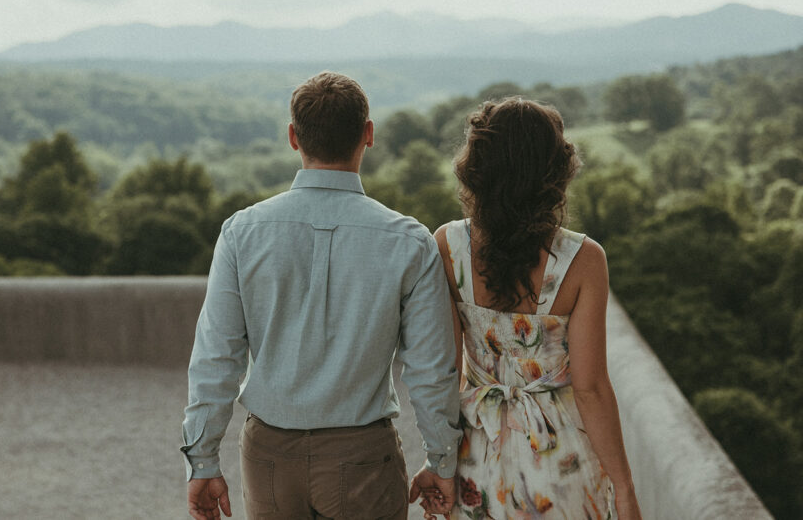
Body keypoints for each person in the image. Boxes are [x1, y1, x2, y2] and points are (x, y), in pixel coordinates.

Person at [182, 71, 462, 520]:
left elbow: (216, 357)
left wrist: (202, 460)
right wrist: (442, 461)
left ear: (293, 137)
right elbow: (430, 371)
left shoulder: (241, 233)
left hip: (269, 456)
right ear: (368, 135)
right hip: (364, 456)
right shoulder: (410, 241)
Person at [419, 97, 642, 519]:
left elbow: (445, 374)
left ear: (477, 169)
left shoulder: (448, 245)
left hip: (475, 457)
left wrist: (438, 464)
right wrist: (626, 487)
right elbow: (590, 388)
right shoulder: (584, 260)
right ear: (554, 172)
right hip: (561, 462)